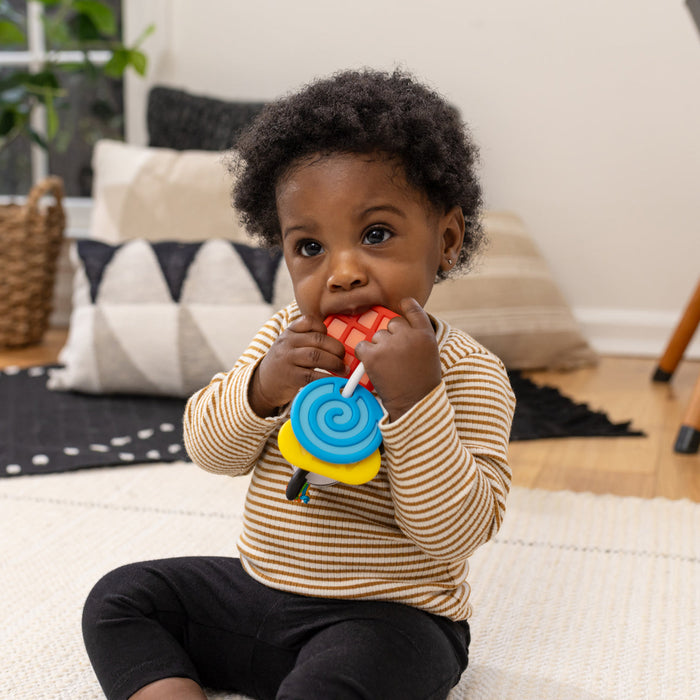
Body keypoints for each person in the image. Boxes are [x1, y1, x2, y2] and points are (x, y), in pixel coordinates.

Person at [82, 68, 516, 700]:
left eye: (375, 235)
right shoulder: (290, 339)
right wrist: (261, 388)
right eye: (309, 246)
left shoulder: (469, 373)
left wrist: (415, 402)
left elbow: (454, 530)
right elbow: (209, 450)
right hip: (257, 594)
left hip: (389, 618)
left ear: (446, 240)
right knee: (121, 599)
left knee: (344, 680)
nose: (341, 272)